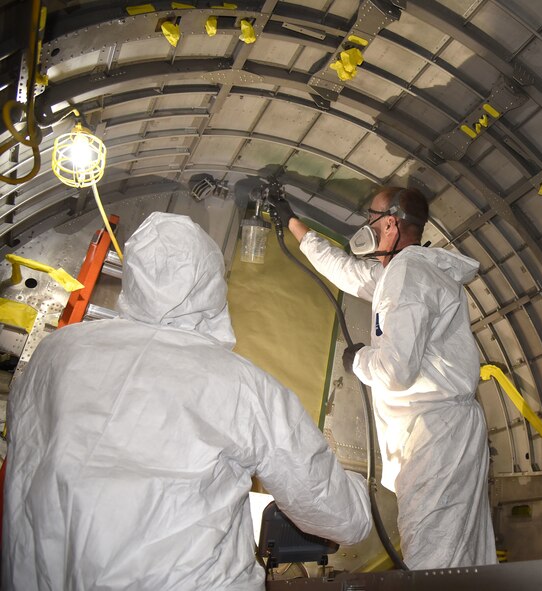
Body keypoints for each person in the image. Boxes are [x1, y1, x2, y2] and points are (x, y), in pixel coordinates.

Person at [1, 212, 372, 590]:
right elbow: (339, 516)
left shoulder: (56, 352)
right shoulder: (240, 383)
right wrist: (359, 490)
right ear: (212, 282)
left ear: (135, 276)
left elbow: (24, 454)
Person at [269, 186, 496, 570]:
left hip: (433, 437)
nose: (367, 227)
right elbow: (345, 271)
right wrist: (293, 223)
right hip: (447, 431)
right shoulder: (410, 272)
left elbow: (395, 370)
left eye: (371, 219)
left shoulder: (408, 273)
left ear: (390, 223)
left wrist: (358, 359)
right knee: (463, 556)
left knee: (433, 558)